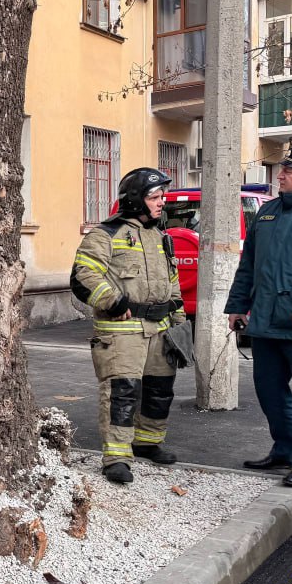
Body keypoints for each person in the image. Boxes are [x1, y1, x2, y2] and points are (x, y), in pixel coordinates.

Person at [70, 167, 185, 484]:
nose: (162, 202)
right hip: (123, 333)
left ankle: (148, 442)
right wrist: (113, 301)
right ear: (135, 199)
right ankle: (117, 456)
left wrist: (181, 328)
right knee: (122, 394)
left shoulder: (161, 236)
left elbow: (172, 284)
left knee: (160, 391)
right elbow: (83, 275)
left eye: (162, 196)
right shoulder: (105, 234)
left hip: (160, 331)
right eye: (155, 197)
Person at [226, 137, 292, 488]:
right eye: (283, 168)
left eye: (291, 169)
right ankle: (285, 449)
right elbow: (247, 265)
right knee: (269, 391)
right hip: (265, 324)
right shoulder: (267, 211)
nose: (282, 174)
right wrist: (236, 306)